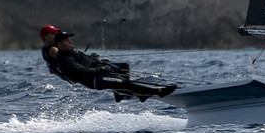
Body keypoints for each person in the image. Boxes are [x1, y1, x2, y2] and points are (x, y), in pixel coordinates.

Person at [39, 25, 175, 102]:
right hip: (92, 79)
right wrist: (102, 69)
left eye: (70, 40)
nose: (70, 42)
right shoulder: (62, 56)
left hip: (94, 73)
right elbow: (80, 70)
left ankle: (127, 92)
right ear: (59, 43)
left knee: (122, 70)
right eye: (67, 40)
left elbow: (81, 60)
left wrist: (94, 60)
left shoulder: (69, 50)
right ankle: (157, 92)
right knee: (122, 82)